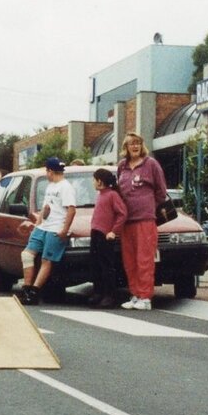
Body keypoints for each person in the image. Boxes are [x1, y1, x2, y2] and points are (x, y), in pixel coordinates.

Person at [115, 132, 167, 310]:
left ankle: (145, 297)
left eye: (138, 143)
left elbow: (161, 191)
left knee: (144, 259)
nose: (135, 146)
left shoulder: (151, 164)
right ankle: (135, 294)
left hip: (145, 218)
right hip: (126, 220)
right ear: (126, 147)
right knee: (129, 260)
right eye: (131, 144)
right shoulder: (122, 166)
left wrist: (149, 205)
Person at [16, 157, 76, 305]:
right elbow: (46, 207)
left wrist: (64, 230)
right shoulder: (50, 186)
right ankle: (26, 289)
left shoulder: (65, 187)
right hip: (43, 227)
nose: (46, 173)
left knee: (46, 260)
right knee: (27, 255)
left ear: (50, 171)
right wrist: (38, 223)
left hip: (56, 228)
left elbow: (71, 210)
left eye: (46, 170)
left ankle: (35, 292)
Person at [88, 167, 128, 307]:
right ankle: (98, 292)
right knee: (95, 264)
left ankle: (109, 295)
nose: (93, 182)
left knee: (106, 266)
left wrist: (114, 231)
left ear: (100, 181)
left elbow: (122, 213)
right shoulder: (100, 195)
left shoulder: (112, 195)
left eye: (94, 180)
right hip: (96, 233)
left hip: (106, 235)